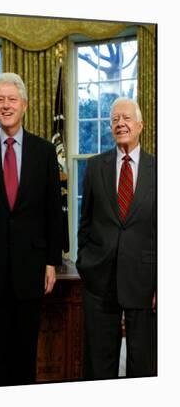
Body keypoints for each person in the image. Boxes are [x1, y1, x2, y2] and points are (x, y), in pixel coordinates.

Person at [0, 72, 63, 386]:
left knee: (25, 356)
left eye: (12, 99)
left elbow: (53, 210)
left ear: (24, 104)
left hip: (31, 272)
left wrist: (52, 260)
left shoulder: (44, 151)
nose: (5, 105)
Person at [76, 97, 156, 379]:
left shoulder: (160, 170)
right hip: (100, 279)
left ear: (140, 126)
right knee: (99, 364)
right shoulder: (96, 166)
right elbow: (84, 223)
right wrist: (84, 262)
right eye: (114, 119)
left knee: (144, 365)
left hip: (145, 281)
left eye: (126, 118)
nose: (120, 124)